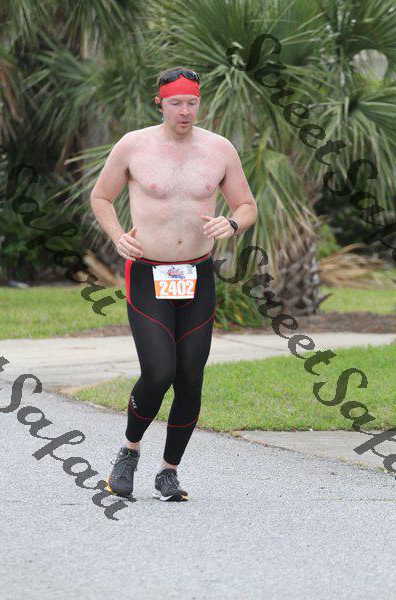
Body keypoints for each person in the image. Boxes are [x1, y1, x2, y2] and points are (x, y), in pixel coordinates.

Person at [89, 67, 258, 501]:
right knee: (159, 371)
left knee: (190, 378)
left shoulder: (219, 149)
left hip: (196, 275)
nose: (185, 111)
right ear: (160, 103)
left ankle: (169, 472)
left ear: (200, 103)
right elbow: (101, 196)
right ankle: (129, 451)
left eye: (192, 102)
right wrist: (117, 236)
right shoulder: (134, 146)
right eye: (176, 103)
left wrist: (232, 223)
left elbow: (246, 205)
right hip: (149, 273)